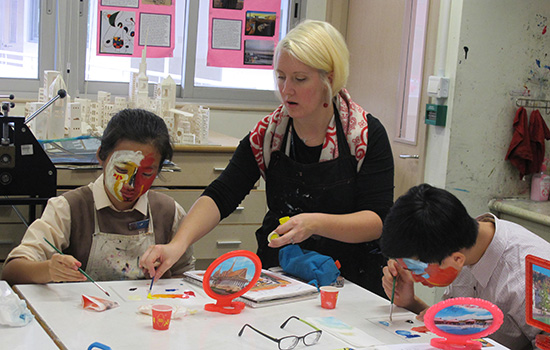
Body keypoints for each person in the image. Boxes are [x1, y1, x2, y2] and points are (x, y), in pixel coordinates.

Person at [140, 20, 394, 297]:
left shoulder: (364, 135)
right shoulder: (269, 136)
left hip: (352, 280)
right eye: (281, 76)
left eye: (300, 79)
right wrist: (176, 245)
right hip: (284, 275)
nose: (286, 90)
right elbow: (222, 193)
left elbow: (377, 220)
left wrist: (313, 223)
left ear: (329, 79)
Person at [1, 109, 195, 284]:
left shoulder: (168, 212)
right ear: (101, 156)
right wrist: (48, 270)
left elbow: (185, 277)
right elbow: (11, 270)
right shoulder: (69, 208)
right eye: (121, 169)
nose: (130, 184)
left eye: (146, 174)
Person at [380, 183, 550, 349]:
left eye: (417, 270)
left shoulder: (537, 280)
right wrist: (411, 302)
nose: (415, 279)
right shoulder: (456, 240)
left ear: (457, 260)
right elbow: (460, 328)